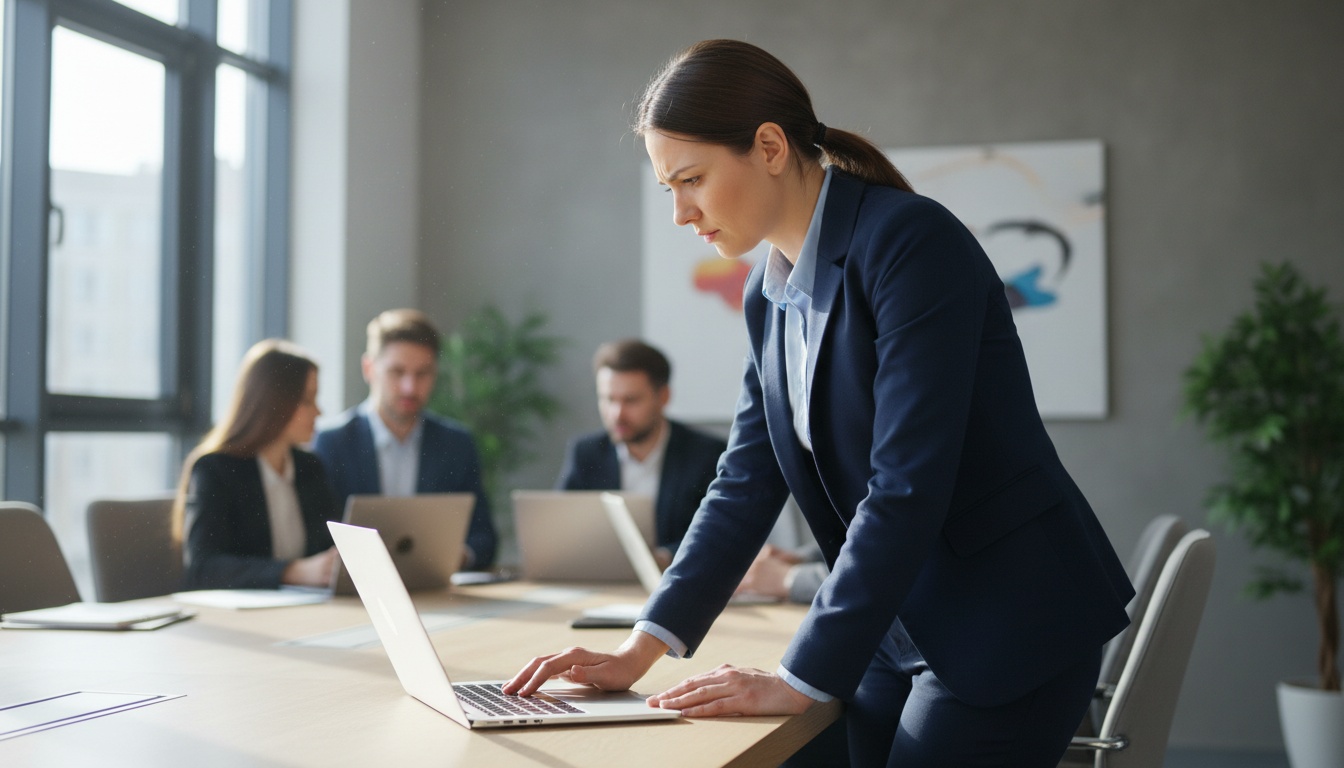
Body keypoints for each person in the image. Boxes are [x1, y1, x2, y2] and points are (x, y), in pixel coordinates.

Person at [505, 39, 1134, 767]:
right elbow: (745, 479)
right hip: (893, 627)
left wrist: (798, 678)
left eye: (692, 180)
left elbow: (906, 485)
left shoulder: (909, 243)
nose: (682, 213)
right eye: (668, 189)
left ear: (769, 147)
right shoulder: (766, 294)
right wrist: (640, 648)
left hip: (1002, 620)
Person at [313, 309, 497, 569]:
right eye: (397, 372)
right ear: (369, 369)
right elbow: (316, 538)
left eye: (423, 374)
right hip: (356, 594)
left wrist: (458, 556)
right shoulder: (332, 442)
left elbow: (484, 537)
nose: (410, 387)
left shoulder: (456, 444)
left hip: (437, 590)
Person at [175, 339, 340, 590]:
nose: (318, 412)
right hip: (243, 621)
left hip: (305, 610)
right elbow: (202, 569)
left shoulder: (310, 467)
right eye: (307, 400)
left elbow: (326, 549)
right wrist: (293, 571)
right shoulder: (214, 468)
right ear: (273, 402)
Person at [556, 339, 726, 565]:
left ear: (663, 397)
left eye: (631, 400)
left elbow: (720, 532)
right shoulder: (585, 453)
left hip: (679, 583)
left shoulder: (707, 454)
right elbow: (559, 534)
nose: (617, 414)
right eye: (608, 399)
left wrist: (664, 557)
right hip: (602, 583)